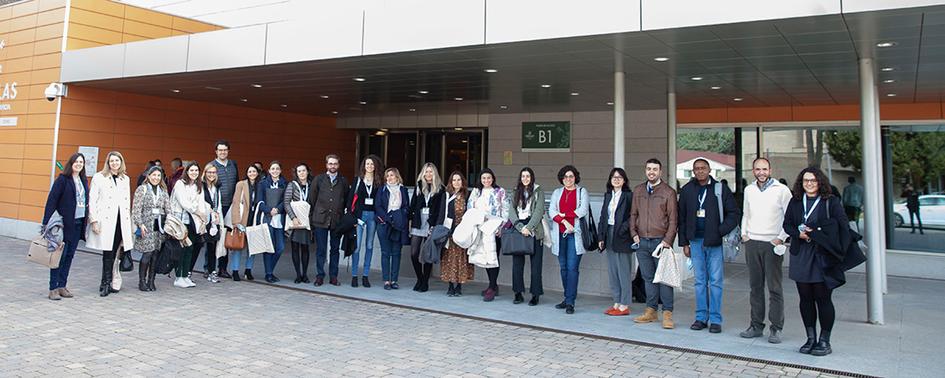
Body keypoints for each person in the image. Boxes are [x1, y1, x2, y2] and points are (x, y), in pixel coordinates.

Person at [783, 167, 849, 356]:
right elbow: (787, 224)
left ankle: (824, 340)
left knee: (823, 298)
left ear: (820, 182)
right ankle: (810, 338)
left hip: (822, 255)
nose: (809, 184)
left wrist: (817, 233)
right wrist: (799, 233)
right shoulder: (795, 202)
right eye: (805, 181)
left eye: (812, 180)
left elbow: (842, 226)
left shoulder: (831, 202)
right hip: (801, 254)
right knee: (805, 298)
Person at [678, 158, 740, 333]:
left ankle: (715, 319)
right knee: (699, 282)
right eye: (696, 169)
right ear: (693, 171)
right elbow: (681, 218)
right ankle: (700, 318)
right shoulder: (687, 190)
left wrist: (720, 231)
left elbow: (734, 213)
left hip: (714, 242)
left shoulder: (720, 189)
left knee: (715, 282)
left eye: (703, 168)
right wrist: (684, 242)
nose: (700, 171)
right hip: (695, 242)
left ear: (709, 169)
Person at [739, 158, 793, 343]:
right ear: (753, 171)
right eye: (757, 169)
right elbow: (746, 213)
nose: (761, 172)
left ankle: (776, 328)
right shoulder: (749, 189)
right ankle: (756, 325)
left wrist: (780, 238)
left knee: (774, 288)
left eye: (764, 169)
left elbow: (790, 217)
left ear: (770, 170)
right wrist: (745, 234)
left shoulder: (782, 190)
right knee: (755, 287)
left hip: (772, 244)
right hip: (753, 242)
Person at [630, 158, 678, 329]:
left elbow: (673, 220)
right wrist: (634, 234)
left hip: (661, 242)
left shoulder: (668, 192)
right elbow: (633, 215)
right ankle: (651, 311)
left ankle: (667, 313)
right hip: (642, 241)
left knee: (664, 279)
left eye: (655, 169)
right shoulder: (638, 190)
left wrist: (667, 241)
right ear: (645, 170)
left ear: (660, 172)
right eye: (649, 169)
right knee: (648, 278)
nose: (651, 172)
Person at [86, 151, 135, 297]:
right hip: (106, 221)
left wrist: (130, 224)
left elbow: (126, 202)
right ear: (108, 163)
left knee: (115, 252)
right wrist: (94, 220)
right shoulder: (99, 177)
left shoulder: (124, 178)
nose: (114, 163)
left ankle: (112, 280)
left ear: (121, 162)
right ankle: (105, 282)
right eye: (111, 161)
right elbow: (92, 199)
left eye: (117, 161)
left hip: (121, 221)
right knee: (107, 252)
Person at [42, 153, 89, 300]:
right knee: (59, 256)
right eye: (76, 161)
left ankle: (62, 285)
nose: (79, 164)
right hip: (64, 225)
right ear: (71, 163)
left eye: (81, 162)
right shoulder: (63, 180)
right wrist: (45, 223)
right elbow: (52, 200)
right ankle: (53, 288)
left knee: (69, 256)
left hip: (78, 223)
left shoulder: (83, 180)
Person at [549, 165, 592, 314]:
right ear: (562, 178)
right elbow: (551, 212)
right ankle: (567, 297)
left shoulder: (582, 192)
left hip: (575, 235)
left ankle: (570, 302)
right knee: (563, 268)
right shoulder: (557, 192)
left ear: (575, 178)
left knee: (573, 268)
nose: (568, 179)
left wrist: (563, 216)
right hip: (560, 235)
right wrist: (565, 221)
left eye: (571, 176)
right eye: (566, 177)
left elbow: (582, 211)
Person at [467, 168, 508, 302]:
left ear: (493, 178)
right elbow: (470, 208)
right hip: (480, 229)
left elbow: (505, 210)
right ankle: (493, 285)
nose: (486, 180)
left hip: (495, 229)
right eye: (484, 178)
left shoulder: (500, 191)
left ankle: (491, 287)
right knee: (485, 257)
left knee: (493, 257)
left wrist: (501, 227)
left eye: (489, 178)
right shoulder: (476, 192)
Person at [507, 167, 546, 306]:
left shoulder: (538, 191)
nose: (525, 178)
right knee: (517, 265)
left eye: (528, 176)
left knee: (536, 266)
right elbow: (511, 211)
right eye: (523, 176)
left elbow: (539, 210)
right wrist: (520, 227)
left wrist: (528, 227)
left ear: (532, 177)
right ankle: (518, 293)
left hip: (534, 229)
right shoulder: (515, 191)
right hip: (519, 228)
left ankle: (535, 294)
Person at [597, 168, 633, 316]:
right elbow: (603, 217)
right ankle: (617, 301)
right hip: (609, 234)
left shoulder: (629, 196)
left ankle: (624, 304)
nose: (616, 179)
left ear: (624, 180)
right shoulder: (608, 196)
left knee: (623, 271)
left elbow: (633, 216)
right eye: (613, 177)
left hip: (623, 236)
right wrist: (601, 237)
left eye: (619, 177)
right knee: (613, 271)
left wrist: (623, 229)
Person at [310, 154, 349, 286]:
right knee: (321, 249)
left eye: (335, 164)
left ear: (338, 165)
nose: (333, 166)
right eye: (330, 163)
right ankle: (320, 276)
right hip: (320, 219)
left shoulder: (343, 181)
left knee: (335, 250)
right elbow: (312, 199)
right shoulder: (319, 179)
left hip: (336, 220)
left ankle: (333, 276)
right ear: (326, 165)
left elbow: (346, 200)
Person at [131, 165, 170, 292]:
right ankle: (142, 282)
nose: (156, 178)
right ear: (148, 176)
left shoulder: (163, 192)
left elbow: (168, 209)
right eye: (154, 175)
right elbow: (136, 209)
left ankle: (151, 281)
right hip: (146, 226)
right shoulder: (142, 189)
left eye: (158, 175)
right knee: (147, 253)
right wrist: (139, 224)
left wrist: (170, 223)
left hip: (159, 226)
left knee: (155, 254)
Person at [409, 163, 445, 292]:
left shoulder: (440, 189)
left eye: (431, 172)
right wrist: (409, 220)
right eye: (426, 172)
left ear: (434, 173)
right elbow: (413, 205)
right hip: (418, 222)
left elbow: (441, 210)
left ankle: (425, 282)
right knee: (414, 253)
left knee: (428, 254)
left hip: (431, 224)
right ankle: (420, 277)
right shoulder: (419, 187)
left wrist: (436, 225)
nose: (428, 174)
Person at [348, 155, 383, 288]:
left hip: (372, 216)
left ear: (375, 167)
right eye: (367, 164)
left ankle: (366, 276)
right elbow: (350, 198)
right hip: (360, 216)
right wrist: (352, 216)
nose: (370, 166)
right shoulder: (358, 180)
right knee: (356, 247)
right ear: (364, 165)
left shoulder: (378, 181)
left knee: (369, 246)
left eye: (372, 164)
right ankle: (354, 275)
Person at [170, 161, 206, 288]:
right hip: (181, 221)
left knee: (190, 248)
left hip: (193, 221)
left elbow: (201, 203)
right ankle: (178, 277)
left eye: (196, 170)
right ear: (187, 171)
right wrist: (197, 211)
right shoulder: (180, 184)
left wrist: (203, 220)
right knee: (182, 249)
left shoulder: (199, 185)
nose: (194, 173)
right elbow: (184, 202)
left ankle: (185, 276)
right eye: (192, 170)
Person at [441, 171, 474, 296]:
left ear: (463, 181)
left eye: (459, 180)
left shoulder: (467, 195)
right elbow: (442, 213)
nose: (456, 182)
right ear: (450, 182)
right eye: (454, 180)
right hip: (449, 231)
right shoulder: (446, 195)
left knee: (461, 259)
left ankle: (459, 286)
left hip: (463, 232)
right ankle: (450, 285)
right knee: (449, 258)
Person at [377, 167, 410, 290]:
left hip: (398, 225)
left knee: (396, 253)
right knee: (385, 253)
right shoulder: (382, 190)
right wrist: (388, 218)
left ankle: (394, 280)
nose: (389, 178)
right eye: (387, 176)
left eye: (392, 175)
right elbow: (378, 206)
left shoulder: (403, 190)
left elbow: (407, 206)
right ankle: (386, 280)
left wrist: (399, 216)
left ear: (397, 177)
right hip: (384, 224)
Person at [257, 161, 287, 283]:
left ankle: (270, 270)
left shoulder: (285, 184)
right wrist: (269, 210)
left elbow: (286, 200)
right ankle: (269, 273)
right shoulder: (263, 184)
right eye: (272, 169)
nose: (275, 171)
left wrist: (278, 209)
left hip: (279, 219)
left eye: (277, 169)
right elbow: (259, 202)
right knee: (268, 247)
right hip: (267, 218)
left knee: (280, 247)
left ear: (280, 171)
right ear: (269, 170)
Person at [231, 164, 262, 281]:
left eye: (254, 171)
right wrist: (236, 221)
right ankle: (235, 271)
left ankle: (248, 270)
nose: (252, 173)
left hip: (254, 220)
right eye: (250, 171)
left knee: (252, 248)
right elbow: (236, 203)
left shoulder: (260, 185)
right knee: (238, 247)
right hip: (243, 220)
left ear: (257, 173)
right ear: (247, 173)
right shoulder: (241, 184)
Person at [212, 140, 238, 277]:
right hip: (217, 207)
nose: (223, 152)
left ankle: (222, 268)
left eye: (225, 150)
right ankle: (208, 267)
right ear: (216, 151)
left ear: (228, 151)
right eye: (220, 150)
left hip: (231, 206)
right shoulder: (212, 166)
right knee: (213, 236)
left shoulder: (233, 164)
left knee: (226, 238)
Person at [285, 163, 314, 284]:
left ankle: (305, 274)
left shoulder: (312, 185)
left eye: (303, 170)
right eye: (299, 171)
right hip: (296, 221)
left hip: (307, 221)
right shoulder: (292, 185)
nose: (302, 173)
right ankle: (297, 274)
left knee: (306, 249)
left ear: (308, 172)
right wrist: (293, 218)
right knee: (295, 248)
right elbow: (286, 202)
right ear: (296, 173)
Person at [199, 162, 225, 282]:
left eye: (214, 172)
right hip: (203, 220)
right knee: (197, 246)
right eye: (209, 172)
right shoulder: (200, 186)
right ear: (205, 173)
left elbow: (218, 205)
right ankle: (187, 272)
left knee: (212, 247)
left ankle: (212, 272)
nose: (211, 174)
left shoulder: (217, 187)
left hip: (214, 221)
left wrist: (219, 220)